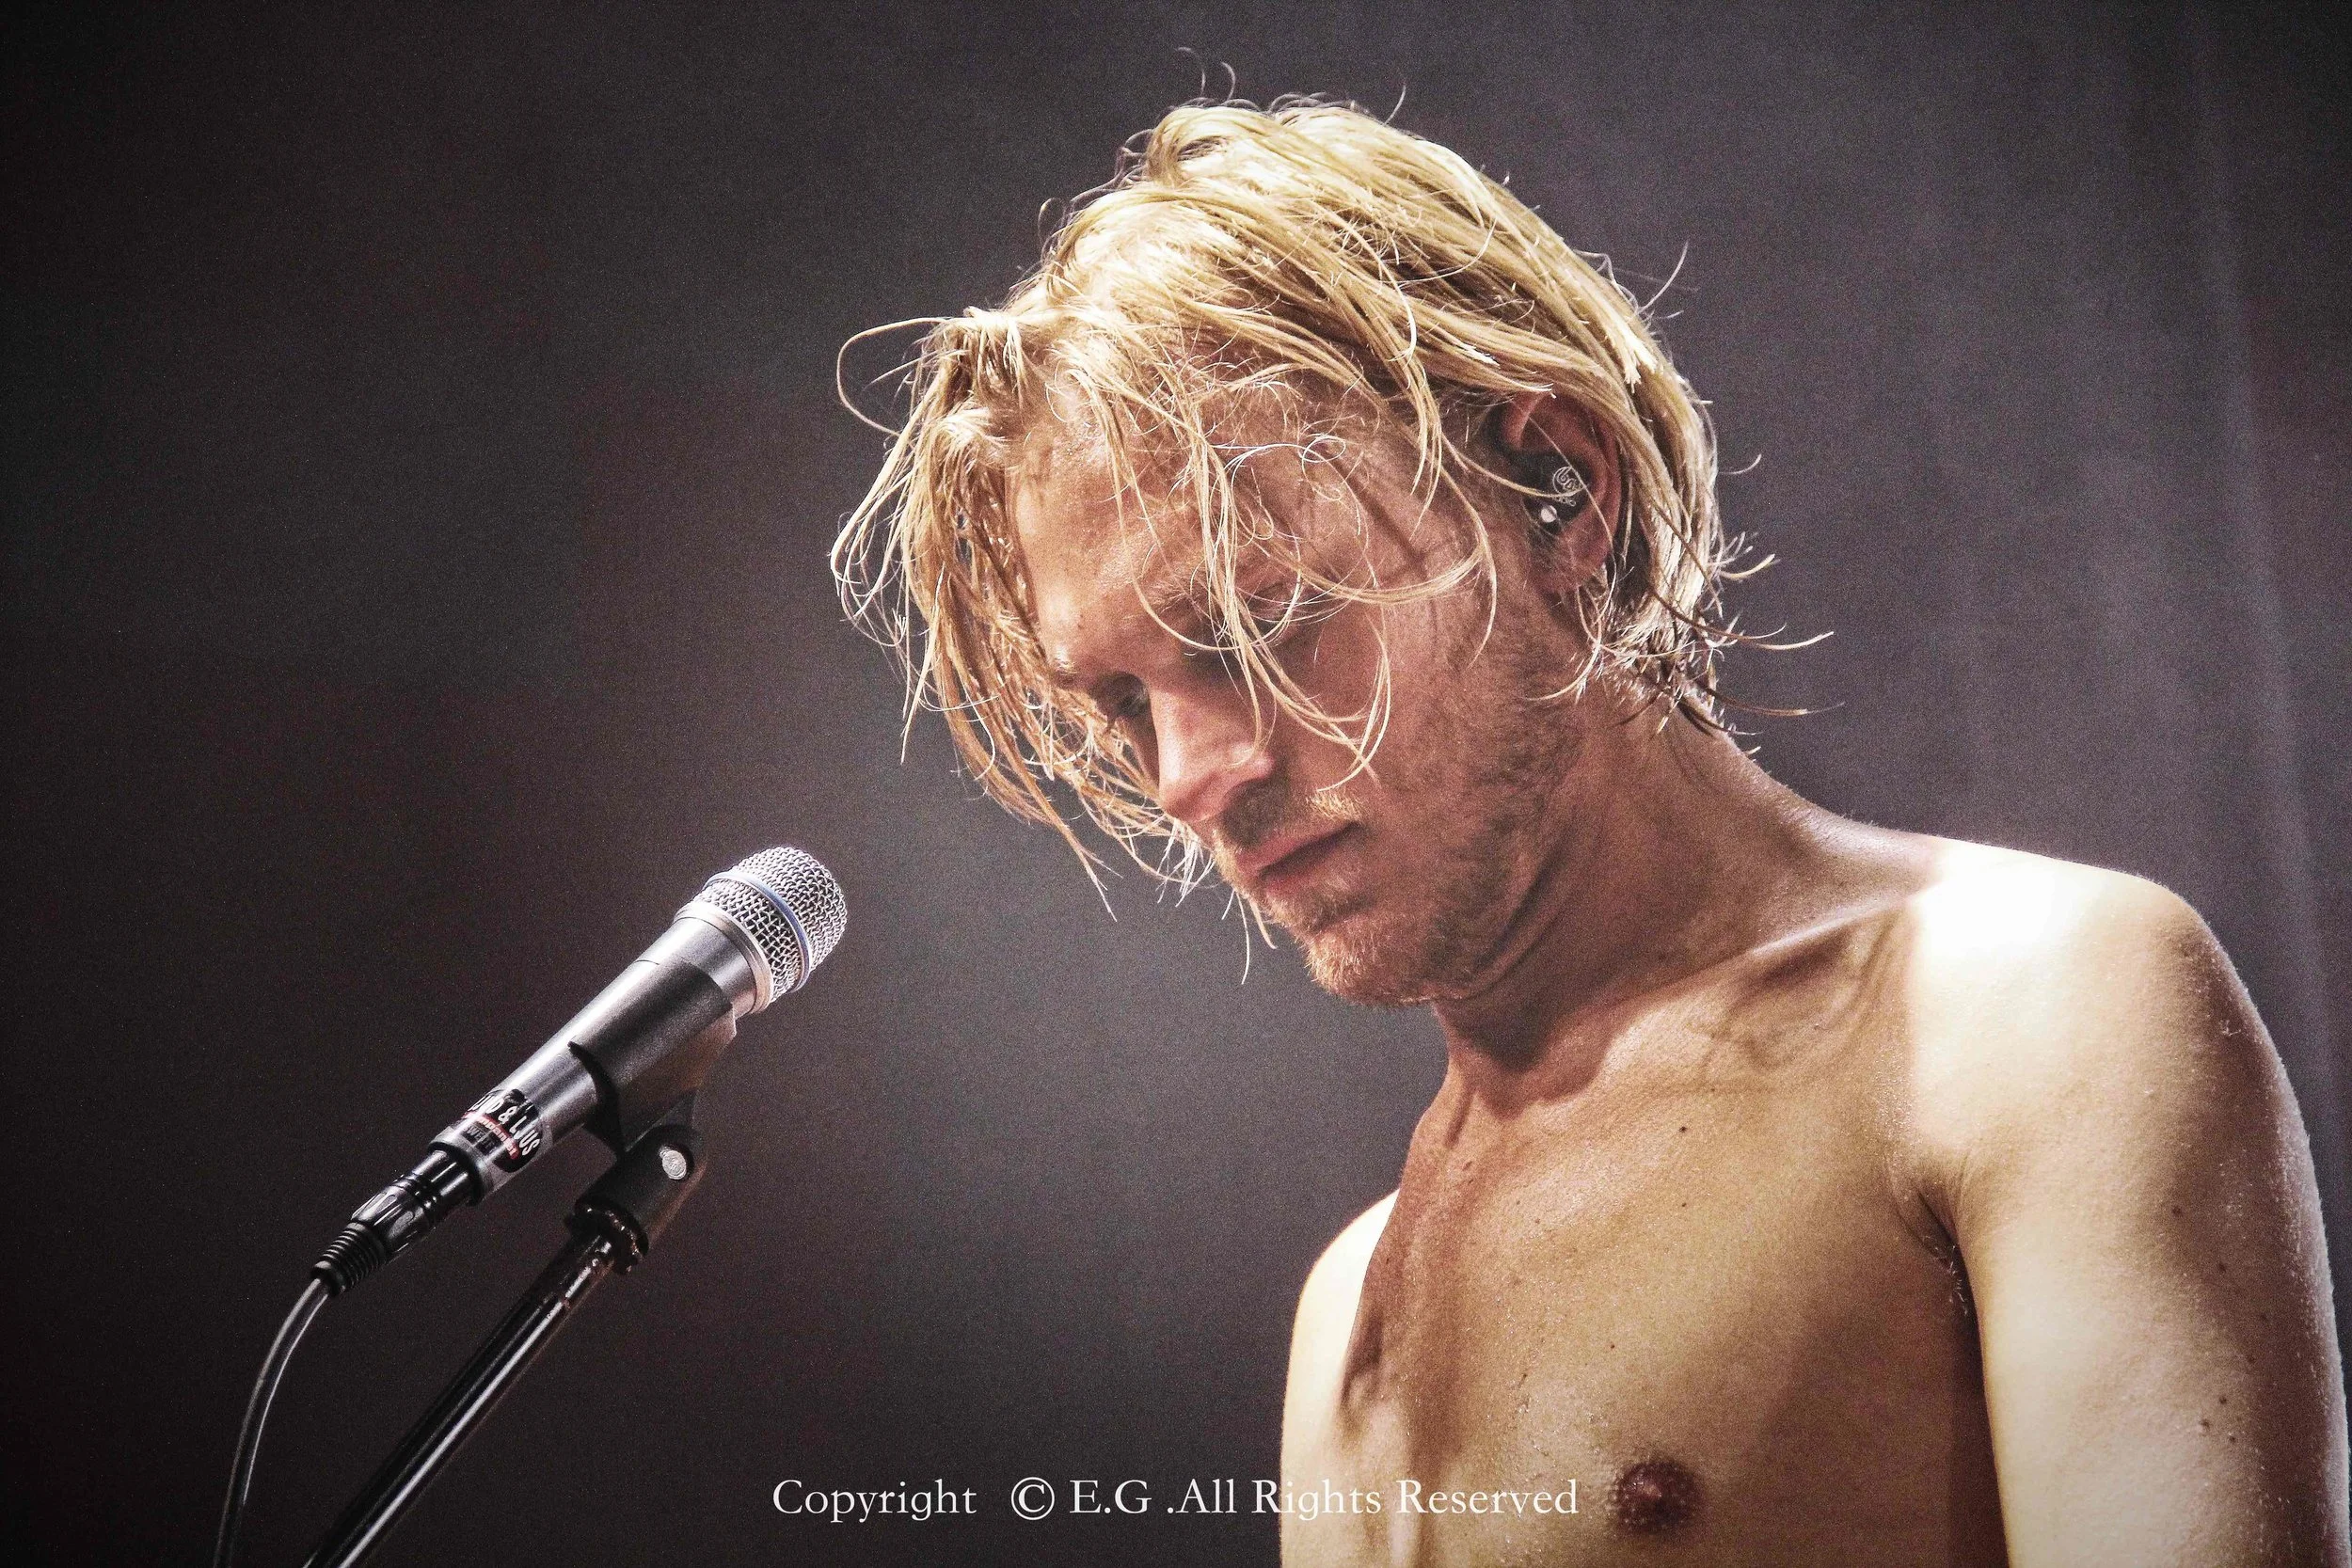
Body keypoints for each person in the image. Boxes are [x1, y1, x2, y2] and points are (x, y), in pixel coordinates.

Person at [833, 99, 2347, 1566]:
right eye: (1122, 702)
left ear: (1561, 491)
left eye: (1253, 623)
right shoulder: (1344, 1305)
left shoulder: (2036, 1015)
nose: (1189, 774)